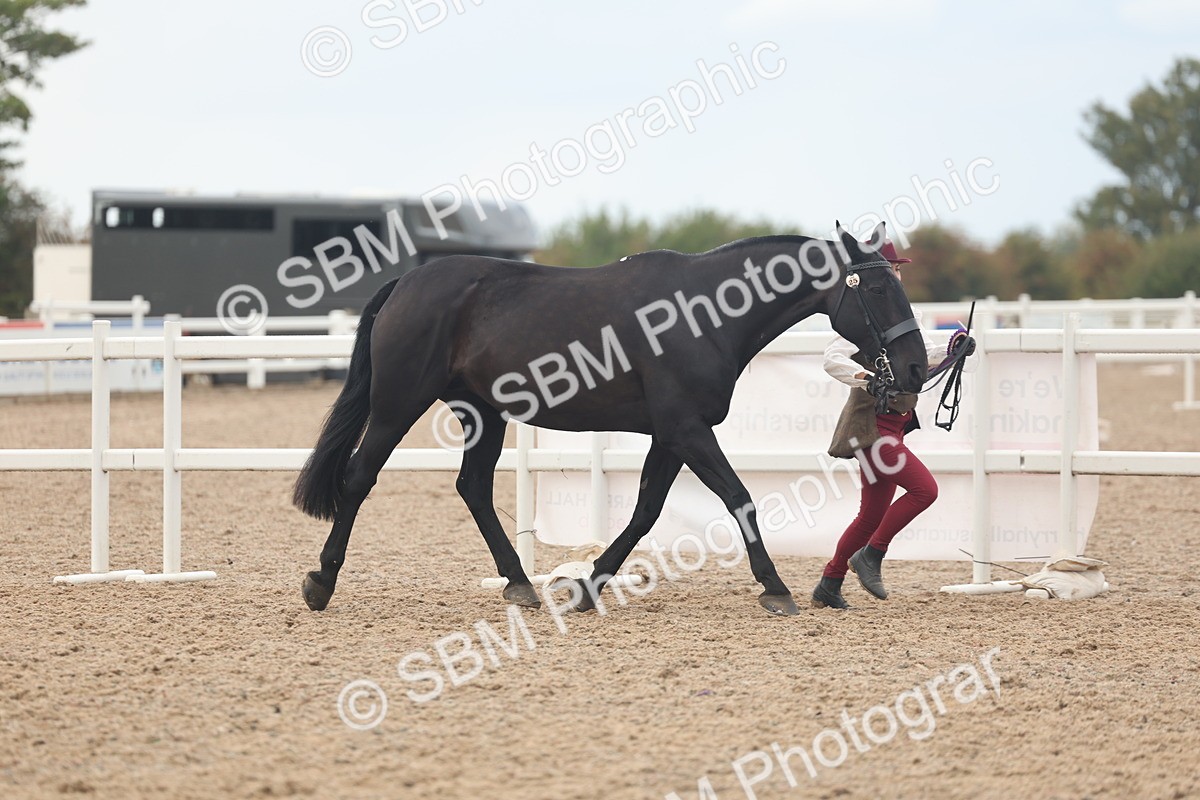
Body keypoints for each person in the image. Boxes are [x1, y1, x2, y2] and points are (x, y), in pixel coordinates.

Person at [812, 239, 969, 610]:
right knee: (924, 490)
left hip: (892, 427)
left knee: (870, 515)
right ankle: (872, 555)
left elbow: (923, 353)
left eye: (898, 268)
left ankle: (830, 583)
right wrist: (866, 377)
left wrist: (955, 345)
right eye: (893, 268)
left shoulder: (900, 316)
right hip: (873, 429)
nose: (898, 274)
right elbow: (833, 359)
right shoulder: (864, 316)